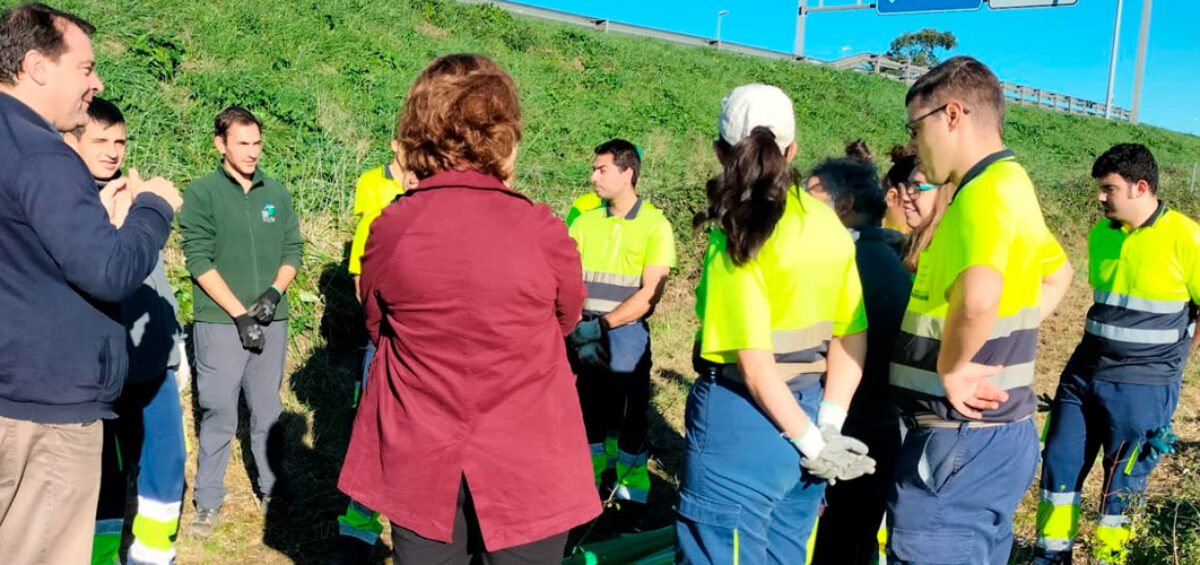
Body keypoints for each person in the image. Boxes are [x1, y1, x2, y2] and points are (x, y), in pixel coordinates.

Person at [337, 54, 600, 564]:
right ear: (504, 135)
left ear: (419, 133)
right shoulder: (542, 228)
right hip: (529, 455)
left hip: (420, 451)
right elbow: (565, 320)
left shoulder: (393, 226)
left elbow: (377, 322)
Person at [0, 5, 182, 563]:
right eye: (86, 69)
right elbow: (108, 271)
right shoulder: (43, 155)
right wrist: (152, 208)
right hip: (46, 409)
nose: (96, 84)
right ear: (37, 66)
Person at [676, 84, 874, 564]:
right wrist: (825, 428)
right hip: (809, 410)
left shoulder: (737, 232)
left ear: (721, 152)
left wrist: (808, 439)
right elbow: (852, 334)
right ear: (792, 150)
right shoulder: (828, 225)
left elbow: (755, 366)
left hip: (743, 422)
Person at [886, 56, 1073, 564]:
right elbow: (1058, 273)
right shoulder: (1011, 186)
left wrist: (954, 367)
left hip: (960, 441)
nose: (917, 144)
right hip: (992, 439)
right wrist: (1004, 340)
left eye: (915, 127)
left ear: (951, 115)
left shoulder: (982, 197)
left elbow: (980, 295)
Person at [1035, 144, 1200, 565]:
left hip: (1144, 386)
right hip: (1082, 375)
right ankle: (1051, 555)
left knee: (1122, 483)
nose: (1100, 197)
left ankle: (1111, 559)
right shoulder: (1098, 235)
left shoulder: (1187, 236)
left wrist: (1174, 365)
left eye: (1108, 188)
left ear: (1140, 187)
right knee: (1059, 465)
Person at [64, 97, 188, 565]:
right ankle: (98, 556)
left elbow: (157, 279)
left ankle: (154, 555)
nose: (114, 151)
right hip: (101, 372)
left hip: (155, 364)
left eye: (120, 141)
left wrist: (175, 349)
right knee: (104, 473)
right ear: (71, 142)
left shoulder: (137, 196)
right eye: (101, 140)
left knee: (166, 462)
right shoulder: (69, 207)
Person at [179, 105, 304, 537]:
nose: (252, 153)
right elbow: (198, 260)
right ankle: (209, 501)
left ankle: (272, 491)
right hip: (219, 323)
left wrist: (273, 294)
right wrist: (239, 314)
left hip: (272, 319)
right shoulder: (202, 194)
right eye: (242, 143)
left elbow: (292, 250)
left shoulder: (277, 193)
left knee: (268, 408)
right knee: (218, 411)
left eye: (257, 144)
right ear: (221, 144)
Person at [805, 156, 911, 565]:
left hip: (845, 433)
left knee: (832, 543)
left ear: (844, 204)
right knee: (855, 540)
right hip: (880, 429)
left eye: (810, 196)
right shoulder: (888, 257)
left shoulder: (846, 263)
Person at [567, 139, 675, 528]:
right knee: (587, 417)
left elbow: (649, 294)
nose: (593, 176)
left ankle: (630, 504)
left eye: (602, 169)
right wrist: (579, 328)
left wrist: (602, 326)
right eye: (594, 169)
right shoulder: (583, 222)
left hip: (624, 334)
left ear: (627, 173)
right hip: (583, 332)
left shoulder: (655, 226)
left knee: (628, 422)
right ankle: (588, 494)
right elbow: (566, 281)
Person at [335, 123, 417, 561]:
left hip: (417, 335)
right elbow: (364, 254)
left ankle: (409, 525)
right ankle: (360, 523)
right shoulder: (374, 183)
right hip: (383, 327)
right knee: (370, 419)